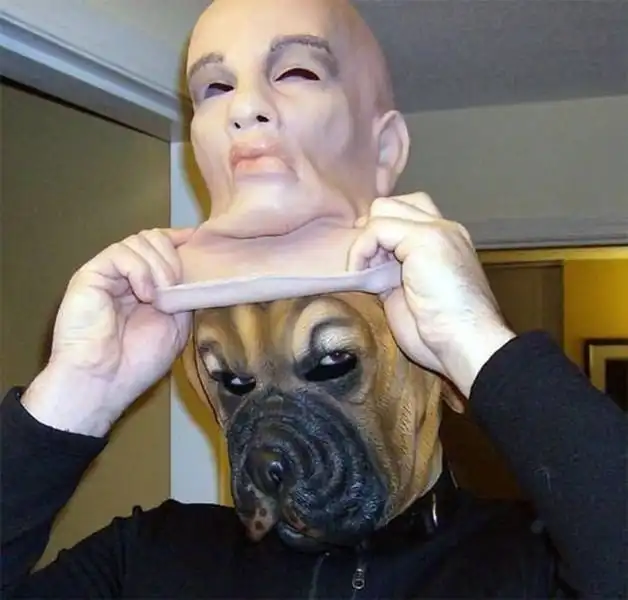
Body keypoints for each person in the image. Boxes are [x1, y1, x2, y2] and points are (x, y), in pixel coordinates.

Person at [2, 0, 626, 596]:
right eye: (234, 383)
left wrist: (479, 342)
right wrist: (78, 389)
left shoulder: (529, 569)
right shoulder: (149, 561)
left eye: (333, 364)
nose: (268, 455)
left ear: (439, 377)